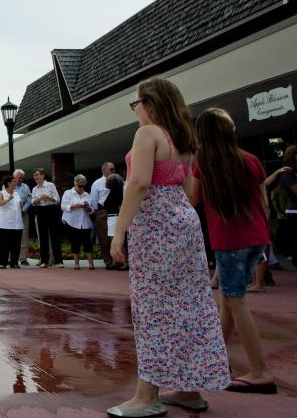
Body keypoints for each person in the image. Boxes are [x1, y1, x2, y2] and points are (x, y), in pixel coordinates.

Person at [108, 78, 230, 417]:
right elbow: (188, 190)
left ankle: (147, 396)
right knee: (190, 302)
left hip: (155, 224)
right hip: (184, 221)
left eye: (136, 104)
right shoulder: (184, 139)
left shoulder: (148, 133)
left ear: (149, 103)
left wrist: (119, 232)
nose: (135, 111)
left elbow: (140, 183)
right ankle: (189, 388)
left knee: (153, 307)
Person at [192, 107, 277, 395]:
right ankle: (214, 360)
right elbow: (263, 203)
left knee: (236, 302)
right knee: (228, 302)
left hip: (229, 241)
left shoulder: (204, 164)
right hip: (256, 237)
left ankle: (259, 370)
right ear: (230, 131)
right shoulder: (251, 160)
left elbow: (192, 199)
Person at [61, 175, 95, 270]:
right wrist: (74, 206)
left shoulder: (87, 195)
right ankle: (76, 264)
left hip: (85, 222)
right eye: (79, 186)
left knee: (88, 242)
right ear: (75, 183)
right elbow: (63, 206)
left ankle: (91, 264)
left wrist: (88, 208)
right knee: (74, 242)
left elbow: (92, 210)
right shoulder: (68, 193)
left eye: (83, 186)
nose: (81, 188)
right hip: (72, 221)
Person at [31, 168, 62, 268]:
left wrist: (48, 198)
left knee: (55, 236)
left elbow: (57, 199)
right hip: (40, 211)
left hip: (52, 210)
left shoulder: (50, 185)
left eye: (37, 174)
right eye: (34, 175)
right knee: (43, 236)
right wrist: (38, 200)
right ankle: (44, 260)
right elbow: (32, 202)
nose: (35, 177)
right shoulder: (34, 189)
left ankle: (58, 261)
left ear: (43, 175)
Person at [89, 162, 116, 269]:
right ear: (104, 170)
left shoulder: (118, 181)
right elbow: (94, 200)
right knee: (104, 238)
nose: (114, 171)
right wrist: (99, 213)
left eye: (114, 169)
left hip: (116, 211)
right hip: (103, 211)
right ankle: (108, 262)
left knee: (115, 237)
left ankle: (117, 260)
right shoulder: (97, 183)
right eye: (111, 169)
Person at [0, 176, 23, 268]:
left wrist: (21, 203)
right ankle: (1, 262)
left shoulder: (17, 193)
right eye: (13, 181)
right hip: (5, 224)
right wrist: (8, 199)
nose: (16, 182)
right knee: (4, 244)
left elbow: (18, 206)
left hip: (17, 223)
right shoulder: (2, 193)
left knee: (16, 244)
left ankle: (14, 262)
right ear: (8, 183)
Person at [103, 173, 126, 269]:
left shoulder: (116, 191)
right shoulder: (116, 191)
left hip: (115, 217)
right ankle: (116, 261)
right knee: (116, 240)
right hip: (113, 217)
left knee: (116, 240)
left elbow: (120, 206)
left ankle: (121, 262)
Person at [13, 170, 33, 266]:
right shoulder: (8, 185)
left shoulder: (26, 187)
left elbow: (29, 199)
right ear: (14, 177)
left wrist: (24, 209)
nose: (21, 179)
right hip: (11, 214)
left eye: (22, 178)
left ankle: (23, 258)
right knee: (11, 235)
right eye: (19, 177)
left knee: (24, 236)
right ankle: (11, 258)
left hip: (23, 213)